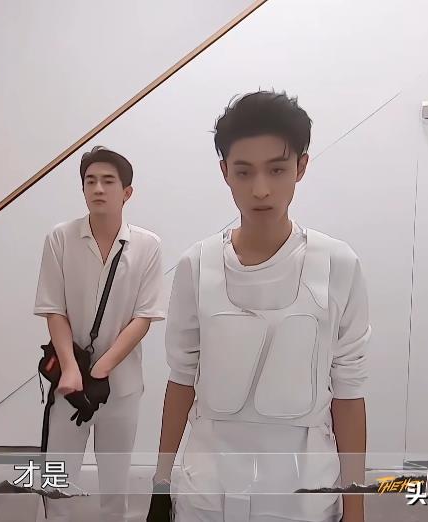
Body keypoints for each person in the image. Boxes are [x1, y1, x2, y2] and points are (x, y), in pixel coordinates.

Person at [147, 91, 371, 522]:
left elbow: (348, 393)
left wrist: (355, 509)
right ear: (225, 173)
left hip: (302, 494)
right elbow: (181, 381)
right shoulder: (197, 265)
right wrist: (160, 487)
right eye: (244, 172)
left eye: (277, 169)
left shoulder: (337, 264)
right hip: (208, 493)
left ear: (301, 167)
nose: (261, 189)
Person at [34, 146, 165, 521]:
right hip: (69, 384)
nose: (98, 188)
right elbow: (54, 309)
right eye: (90, 181)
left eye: (108, 181)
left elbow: (143, 317)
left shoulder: (147, 246)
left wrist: (102, 368)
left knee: (115, 483)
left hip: (121, 387)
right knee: (58, 481)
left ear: (127, 192)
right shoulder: (60, 238)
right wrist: (72, 369)